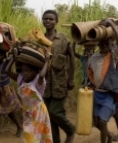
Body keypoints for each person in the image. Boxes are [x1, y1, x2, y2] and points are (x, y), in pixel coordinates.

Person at [41, 10, 76, 143]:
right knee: (49, 116)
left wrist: (71, 78)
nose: (48, 21)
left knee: (55, 111)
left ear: (56, 21)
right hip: (44, 84)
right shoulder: (40, 39)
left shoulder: (62, 38)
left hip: (60, 82)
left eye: (51, 19)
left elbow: (72, 58)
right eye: (45, 19)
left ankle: (70, 130)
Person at [87, 19, 118, 143]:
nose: (104, 46)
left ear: (110, 45)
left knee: (102, 121)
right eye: (101, 44)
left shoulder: (113, 56)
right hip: (97, 94)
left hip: (108, 95)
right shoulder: (94, 58)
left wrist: (112, 24)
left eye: (107, 44)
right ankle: (108, 136)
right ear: (98, 44)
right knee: (96, 122)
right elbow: (90, 74)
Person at [5, 55, 53, 143]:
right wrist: (13, 57)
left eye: (29, 71)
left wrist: (46, 61)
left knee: (36, 135)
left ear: (36, 72)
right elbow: (7, 71)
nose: (25, 73)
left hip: (38, 112)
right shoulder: (21, 79)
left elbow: (42, 75)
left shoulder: (38, 82)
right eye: (23, 70)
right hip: (27, 112)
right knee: (30, 134)